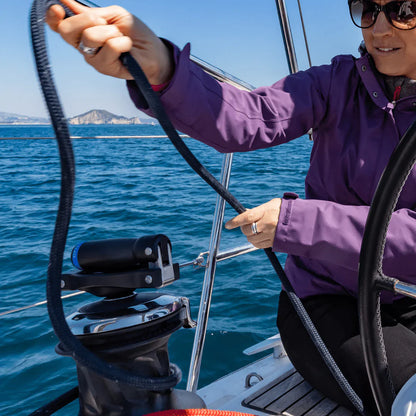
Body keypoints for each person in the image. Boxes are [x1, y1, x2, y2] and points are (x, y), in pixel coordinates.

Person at [47, 0, 416, 413]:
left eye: (404, 9)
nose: (380, 29)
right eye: (368, 9)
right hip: (329, 303)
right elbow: (250, 117)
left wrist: (301, 223)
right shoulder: (335, 82)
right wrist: (164, 72)